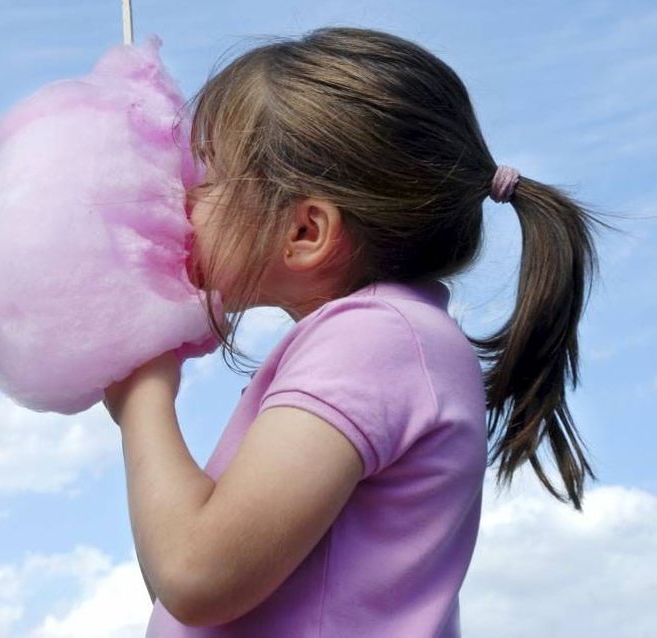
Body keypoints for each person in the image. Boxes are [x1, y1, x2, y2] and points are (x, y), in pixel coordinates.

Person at [102, 25, 619, 636]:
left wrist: (142, 400)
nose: (185, 196)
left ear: (305, 232)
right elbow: (188, 584)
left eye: (208, 176)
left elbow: (194, 574)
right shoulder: (382, 340)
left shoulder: (376, 340)